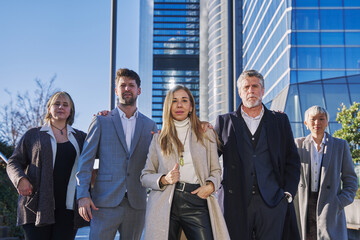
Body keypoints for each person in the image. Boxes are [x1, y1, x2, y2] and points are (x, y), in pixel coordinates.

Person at [214, 70, 301, 240]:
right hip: (235, 204)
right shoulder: (224, 121)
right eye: (246, 87)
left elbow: (292, 160)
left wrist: (288, 194)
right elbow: (209, 158)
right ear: (240, 92)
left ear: (263, 90)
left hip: (273, 203)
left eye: (255, 86)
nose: (250, 91)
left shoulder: (280, 121)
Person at [76, 68, 157, 240]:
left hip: (137, 202)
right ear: (116, 90)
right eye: (123, 85)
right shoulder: (101, 120)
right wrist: (82, 195)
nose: (127, 89)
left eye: (131, 85)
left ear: (139, 90)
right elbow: (86, 161)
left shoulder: (150, 126)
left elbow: (155, 162)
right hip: (104, 202)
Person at [140, 85, 230, 240]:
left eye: (184, 100)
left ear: (191, 107)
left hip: (197, 199)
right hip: (165, 203)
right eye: (174, 101)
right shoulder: (158, 138)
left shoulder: (206, 133)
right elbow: (145, 176)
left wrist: (210, 185)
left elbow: (216, 170)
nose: (179, 105)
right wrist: (164, 179)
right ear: (168, 106)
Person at [6, 91, 87, 240]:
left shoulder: (80, 137)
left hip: (68, 208)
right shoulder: (33, 135)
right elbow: (13, 162)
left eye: (65, 104)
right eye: (56, 103)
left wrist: (103, 119)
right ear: (49, 108)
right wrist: (20, 179)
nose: (60, 107)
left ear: (71, 110)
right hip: (37, 205)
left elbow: (99, 154)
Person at [293, 105, 357, 240]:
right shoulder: (297, 145)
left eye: (321, 119)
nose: (317, 123)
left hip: (330, 205)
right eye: (313, 119)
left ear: (327, 122)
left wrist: (339, 202)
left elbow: (350, 179)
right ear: (306, 123)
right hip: (303, 204)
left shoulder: (340, 145)